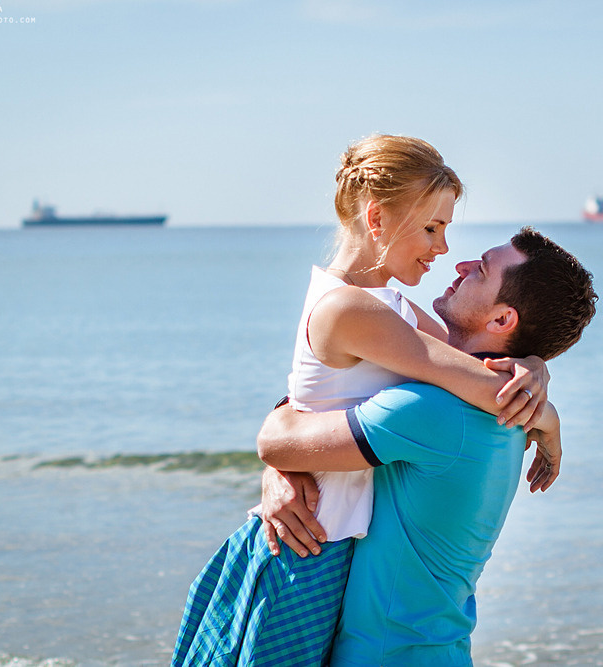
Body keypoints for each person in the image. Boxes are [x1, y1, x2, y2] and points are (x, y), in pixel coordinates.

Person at [172, 136, 559, 667]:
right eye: (432, 228)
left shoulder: (392, 307)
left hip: (331, 545)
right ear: (377, 220)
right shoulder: (352, 310)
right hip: (304, 548)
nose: (443, 249)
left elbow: (464, 361)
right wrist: (544, 407)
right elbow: (477, 380)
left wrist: (535, 366)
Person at [256, 227, 597, 666]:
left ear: (501, 321)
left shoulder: (434, 411)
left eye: (481, 270)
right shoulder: (499, 411)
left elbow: (276, 442)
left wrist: (281, 465)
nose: (460, 266)